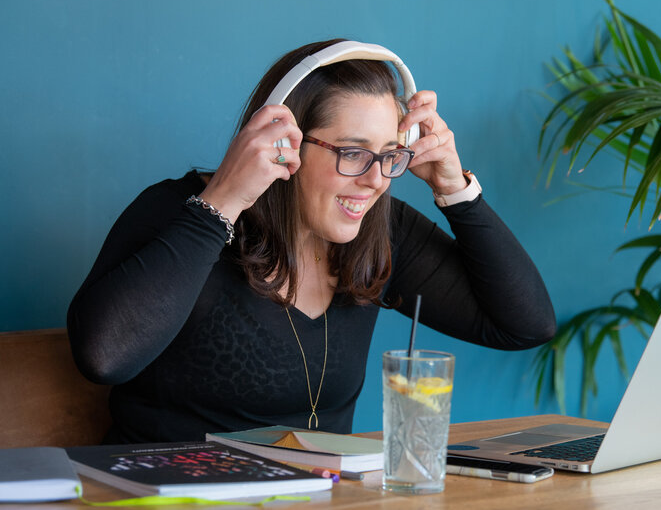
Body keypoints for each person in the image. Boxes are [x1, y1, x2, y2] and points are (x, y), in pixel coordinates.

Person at [67, 39, 556, 444]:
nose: (375, 180)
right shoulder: (181, 211)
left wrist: (454, 189)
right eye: (352, 152)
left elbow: (525, 325)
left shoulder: (379, 227)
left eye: (390, 155)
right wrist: (222, 203)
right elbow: (104, 358)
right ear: (283, 141)